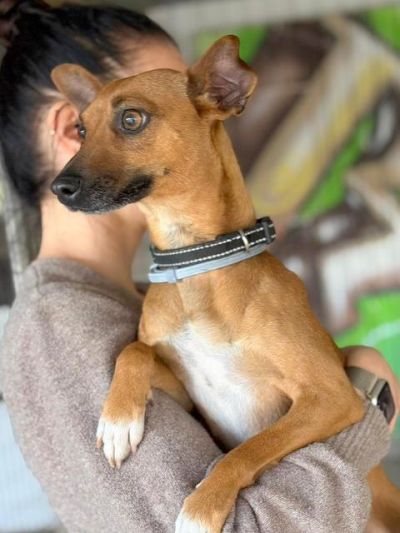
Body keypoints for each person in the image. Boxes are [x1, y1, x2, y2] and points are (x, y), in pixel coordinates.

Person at [0, 2, 398, 532]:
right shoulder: (58, 328)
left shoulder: (139, 300)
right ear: (73, 130)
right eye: (129, 114)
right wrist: (370, 396)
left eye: (133, 119)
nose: (195, 102)